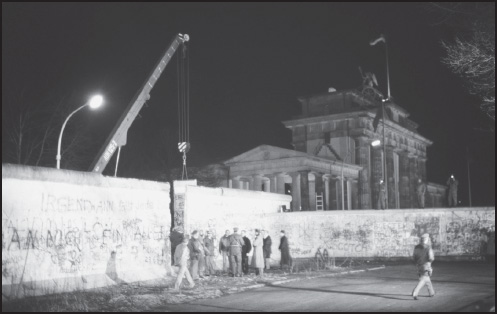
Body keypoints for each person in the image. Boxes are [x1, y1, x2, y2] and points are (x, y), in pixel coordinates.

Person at [412, 233, 435, 300]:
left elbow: (414, 257)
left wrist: (417, 262)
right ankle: (415, 293)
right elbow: (431, 258)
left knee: (427, 280)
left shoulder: (416, 247)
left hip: (418, 265)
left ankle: (432, 293)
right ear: (427, 239)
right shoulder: (428, 247)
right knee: (424, 279)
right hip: (426, 266)